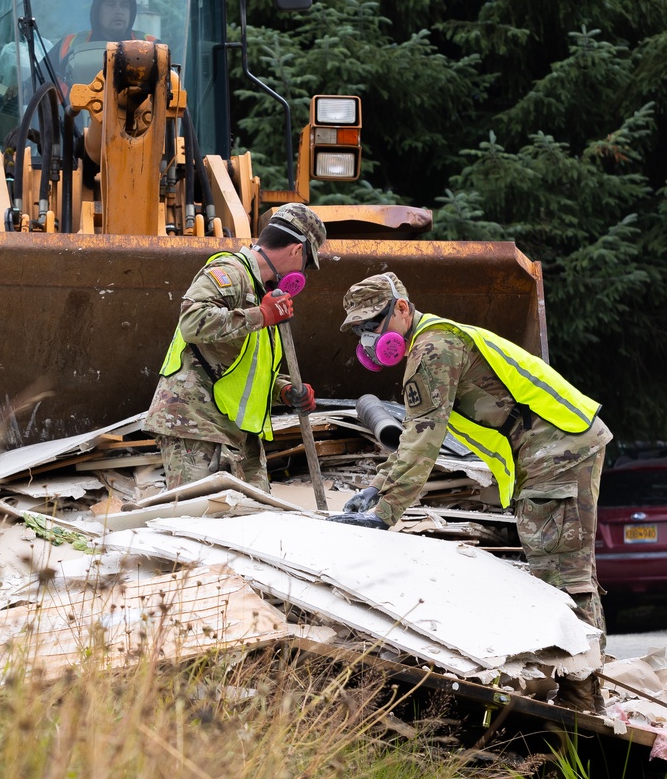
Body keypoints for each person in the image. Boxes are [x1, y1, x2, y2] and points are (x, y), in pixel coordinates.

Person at [331, 271, 612, 712]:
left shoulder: (432, 349)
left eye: (374, 323)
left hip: (556, 450)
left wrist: (384, 512)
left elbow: (423, 440)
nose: (370, 338)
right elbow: (416, 436)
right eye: (361, 330)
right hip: (554, 446)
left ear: (402, 308)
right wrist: (376, 487)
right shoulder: (434, 340)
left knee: (561, 572)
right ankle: (583, 686)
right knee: (562, 564)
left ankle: (584, 696)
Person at [145, 203, 328, 492]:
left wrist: (283, 391)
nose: (303, 273)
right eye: (306, 263)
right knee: (197, 520)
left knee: (253, 521)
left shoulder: (260, 292)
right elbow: (191, 322)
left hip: (237, 432)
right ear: (295, 250)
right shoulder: (231, 272)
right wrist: (262, 316)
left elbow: (243, 371)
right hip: (196, 423)